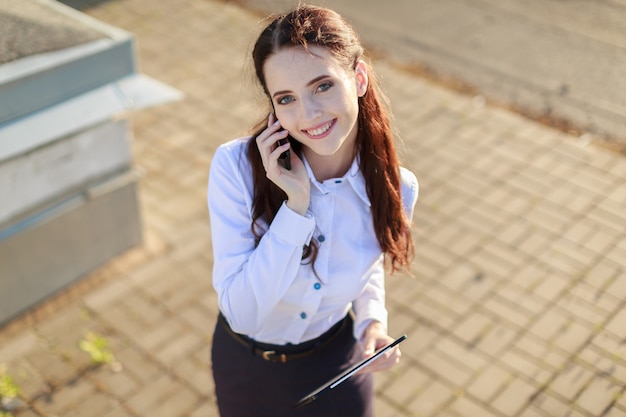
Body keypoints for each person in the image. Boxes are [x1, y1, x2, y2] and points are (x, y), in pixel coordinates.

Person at [207, 4, 418, 416]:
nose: (308, 115)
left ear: (358, 78)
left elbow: (365, 259)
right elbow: (244, 314)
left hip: (337, 363)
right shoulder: (236, 168)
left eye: (322, 86)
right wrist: (296, 208)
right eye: (287, 98)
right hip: (251, 368)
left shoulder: (398, 186)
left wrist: (372, 322)